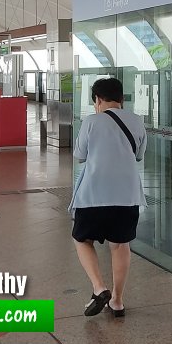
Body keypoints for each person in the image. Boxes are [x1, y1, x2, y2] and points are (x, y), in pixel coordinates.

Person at [70, 78, 146, 319]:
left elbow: (80, 155)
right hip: (127, 195)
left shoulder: (91, 121)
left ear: (97, 100)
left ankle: (98, 287)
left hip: (93, 194)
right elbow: (139, 155)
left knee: (82, 239)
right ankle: (117, 301)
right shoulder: (137, 121)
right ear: (121, 99)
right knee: (120, 245)